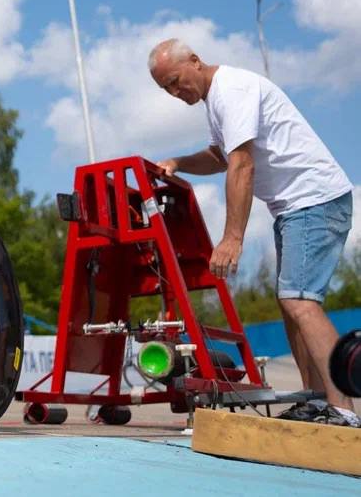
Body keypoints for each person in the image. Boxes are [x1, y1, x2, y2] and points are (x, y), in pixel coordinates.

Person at [149, 38, 356, 428]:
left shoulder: (233, 90)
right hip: (297, 207)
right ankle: (315, 401)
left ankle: (343, 408)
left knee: (300, 302)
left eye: (176, 81)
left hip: (314, 200)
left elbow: (241, 165)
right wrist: (178, 161)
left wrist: (232, 238)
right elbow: (218, 156)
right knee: (291, 304)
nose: (176, 93)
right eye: (167, 89)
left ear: (195, 60)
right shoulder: (217, 102)